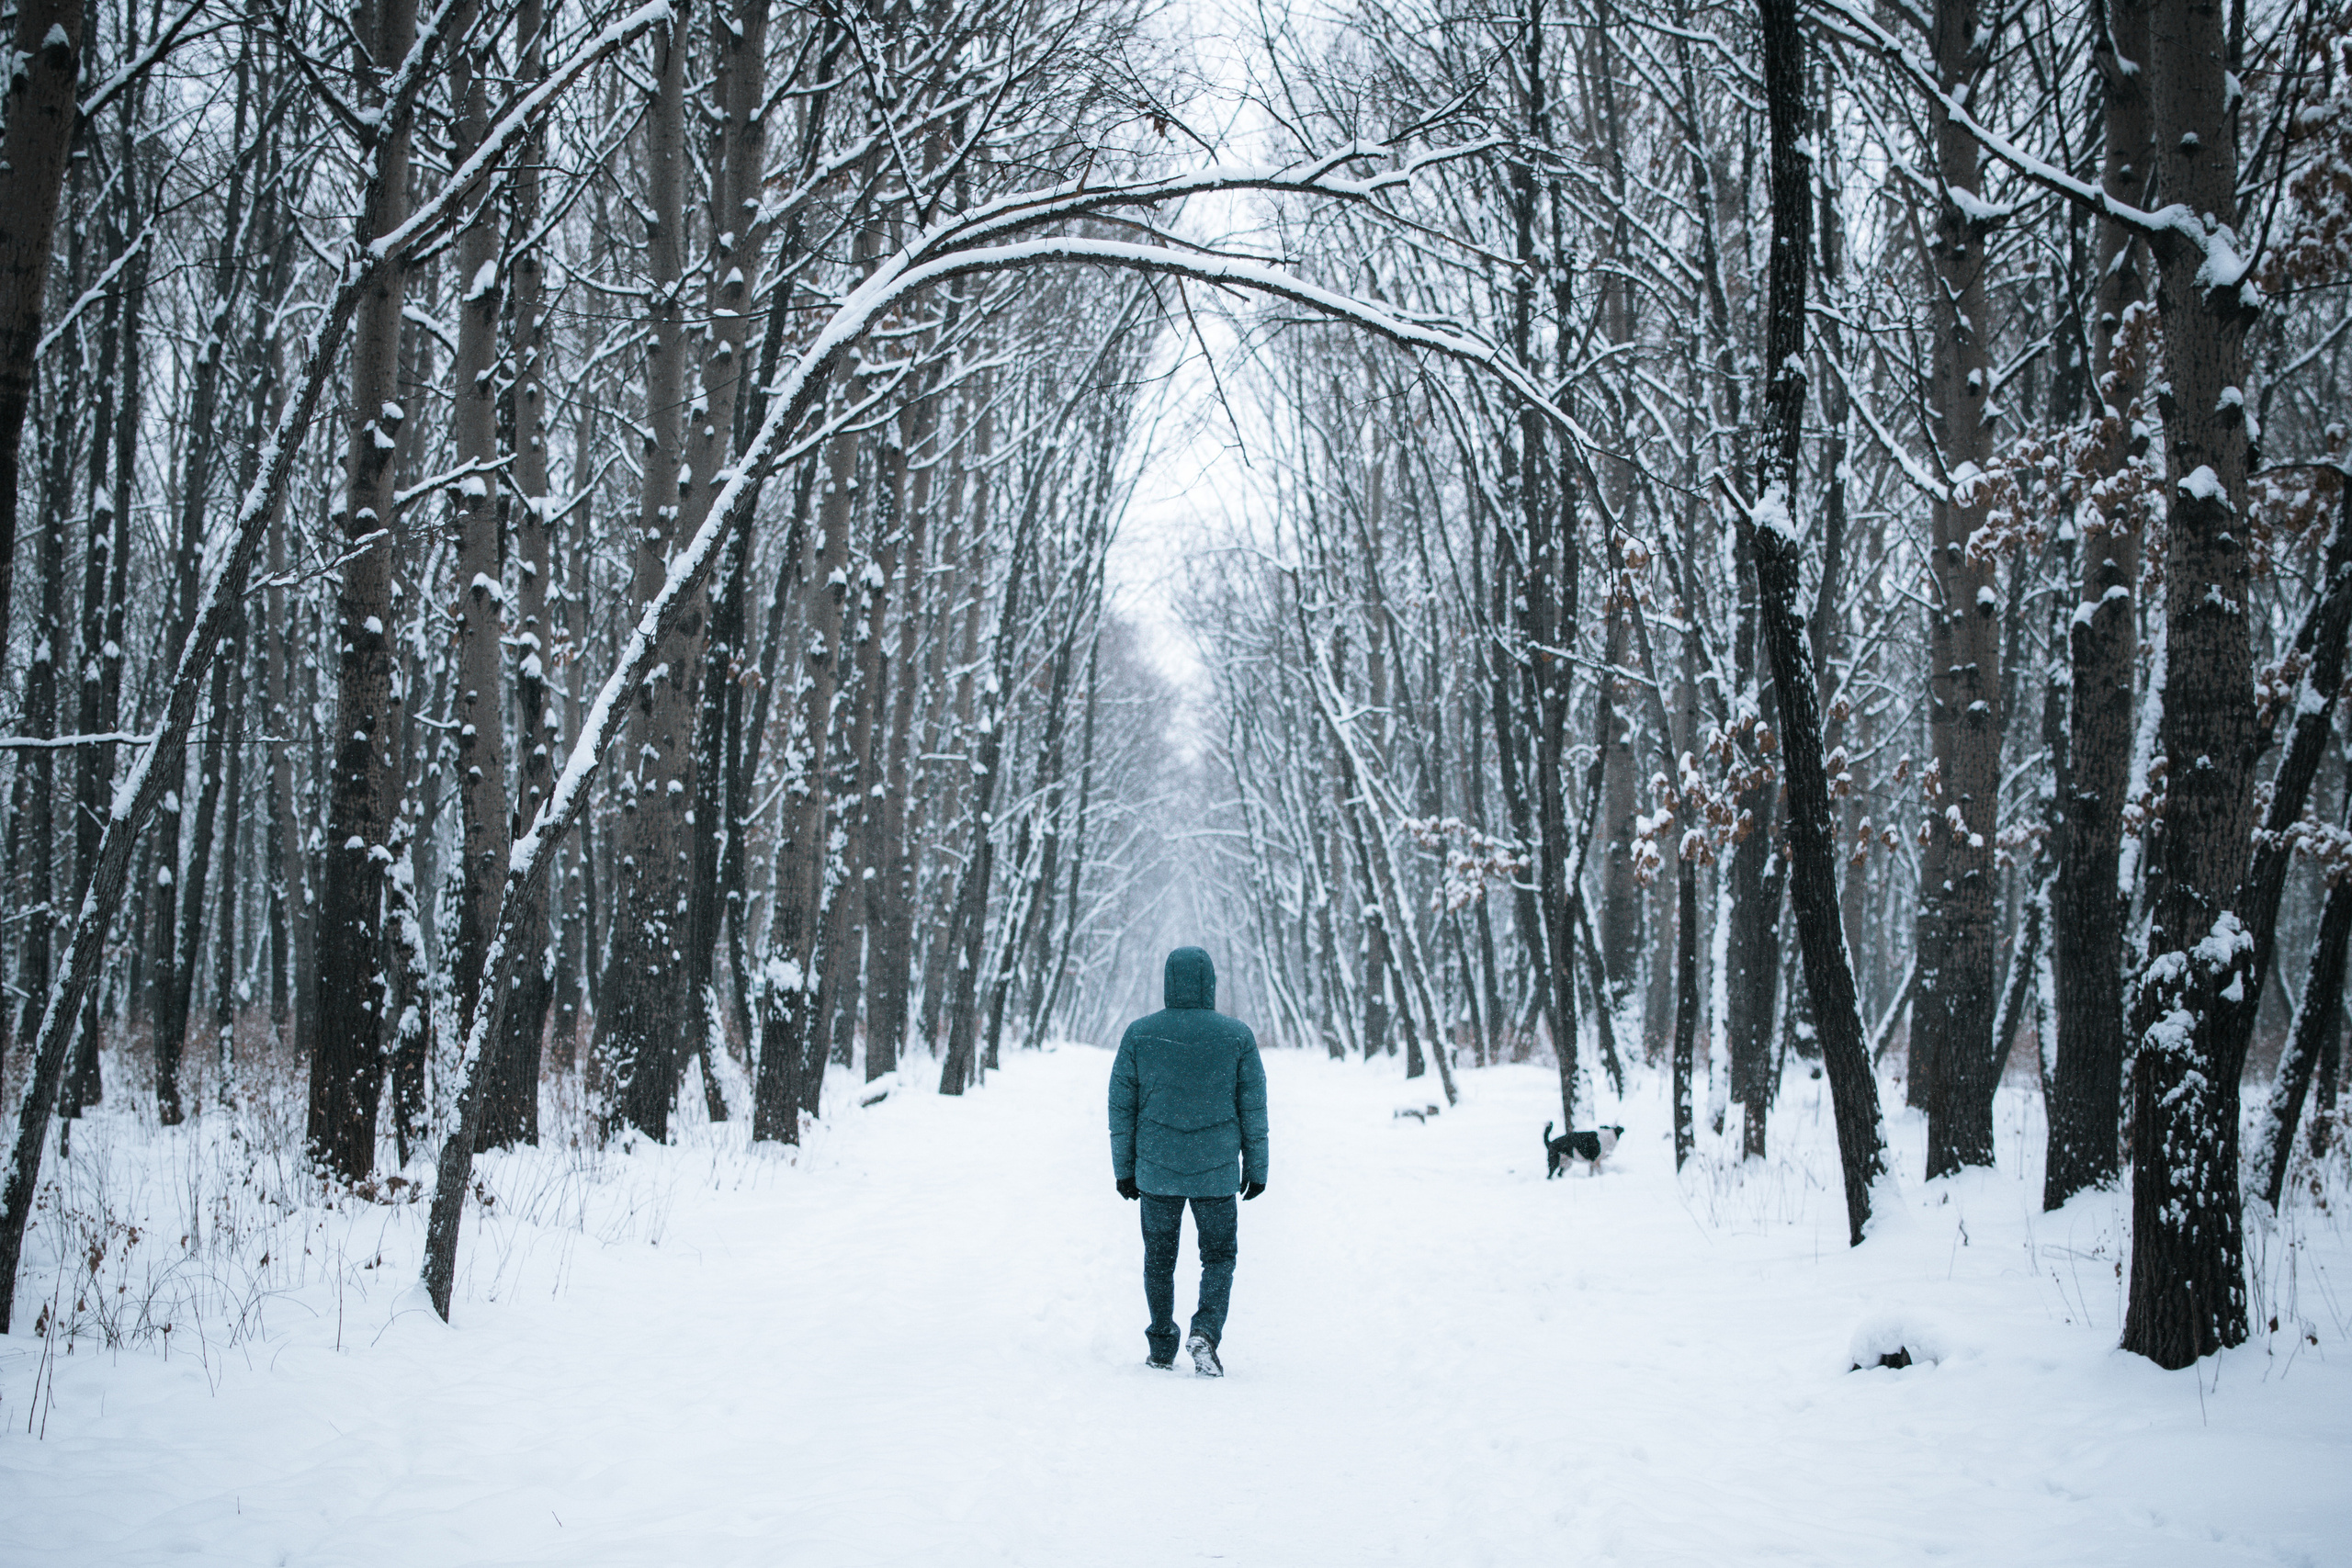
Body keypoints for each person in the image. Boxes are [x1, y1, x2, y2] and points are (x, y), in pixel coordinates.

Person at [1108, 946, 1269, 1377]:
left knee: (1158, 1258)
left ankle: (1162, 1344)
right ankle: (1206, 1333)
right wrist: (1257, 1167)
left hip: (1157, 1170)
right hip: (1215, 1173)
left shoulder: (1140, 1034)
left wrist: (1124, 1168)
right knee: (1218, 1257)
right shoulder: (1237, 1036)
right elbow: (1253, 1107)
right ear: (1210, 983)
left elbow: (1121, 1109)